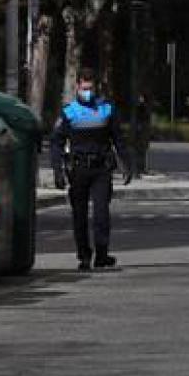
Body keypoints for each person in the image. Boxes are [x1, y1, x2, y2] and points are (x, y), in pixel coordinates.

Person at [49, 68, 134, 271]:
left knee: (101, 213)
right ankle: (84, 256)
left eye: (90, 88)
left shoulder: (106, 109)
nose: (87, 91)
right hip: (78, 169)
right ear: (77, 86)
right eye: (84, 87)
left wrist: (127, 164)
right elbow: (56, 143)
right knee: (79, 215)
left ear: (95, 87)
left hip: (101, 169)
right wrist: (57, 171)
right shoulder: (69, 112)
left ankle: (102, 254)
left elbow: (118, 139)